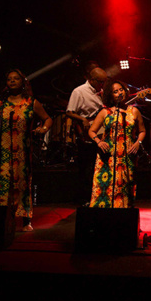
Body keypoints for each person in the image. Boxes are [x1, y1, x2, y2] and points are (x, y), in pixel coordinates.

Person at [0, 69, 52, 231]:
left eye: (15, 79)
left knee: (22, 182)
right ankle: (0, 216)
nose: (12, 81)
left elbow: (47, 118)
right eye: (9, 79)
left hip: (22, 151)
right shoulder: (0, 104)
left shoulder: (31, 102)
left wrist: (44, 128)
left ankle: (25, 219)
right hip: (2, 151)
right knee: (1, 182)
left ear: (22, 83)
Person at [87, 79, 146, 208]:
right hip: (107, 156)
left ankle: (124, 215)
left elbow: (142, 131)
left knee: (126, 186)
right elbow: (91, 131)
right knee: (106, 187)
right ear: (110, 95)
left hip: (127, 155)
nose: (119, 93)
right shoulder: (105, 112)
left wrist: (138, 143)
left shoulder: (134, 111)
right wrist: (98, 142)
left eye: (121, 90)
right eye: (115, 91)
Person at [66, 65, 107, 203]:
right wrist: (83, 119)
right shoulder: (79, 91)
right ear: (91, 79)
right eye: (100, 81)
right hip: (86, 132)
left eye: (104, 82)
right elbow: (69, 111)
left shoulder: (101, 92)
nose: (102, 84)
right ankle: (84, 198)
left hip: (101, 133)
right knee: (86, 166)